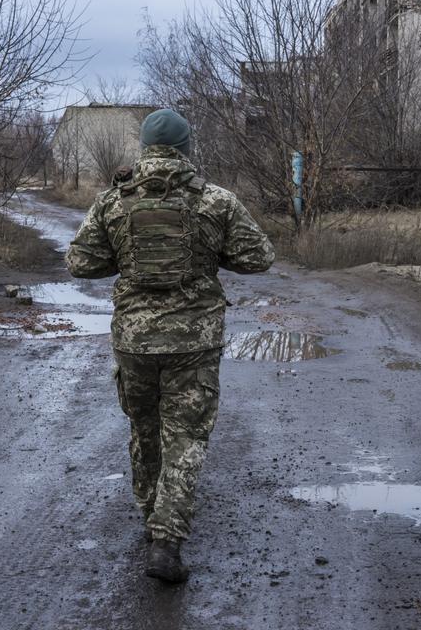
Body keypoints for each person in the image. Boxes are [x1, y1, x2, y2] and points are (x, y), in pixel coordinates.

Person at [67, 108, 275, 583]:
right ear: (186, 149)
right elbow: (259, 257)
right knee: (186, 437)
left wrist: (125, 260)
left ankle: (151, 518)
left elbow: (80, 262)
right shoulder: (217, 200)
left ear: (144, 149)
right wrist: (212, 253)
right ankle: (167, 538)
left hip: (135, 340)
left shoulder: (113, 201)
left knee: (144, 430)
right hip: (194, 340)